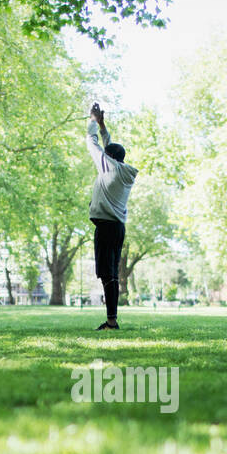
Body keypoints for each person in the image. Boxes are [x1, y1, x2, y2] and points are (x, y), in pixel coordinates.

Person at [86, 102, 138, 331]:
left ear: (109, 159)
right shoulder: (122, 170)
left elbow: (92, 142)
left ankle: (111, 321)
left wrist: (92, 121)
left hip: (106, 228)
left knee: (107, 274)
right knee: (111, 274)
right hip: (116, 227)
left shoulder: (109, 167)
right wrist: (103, 124)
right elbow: (110, 148)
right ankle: (112, 318)